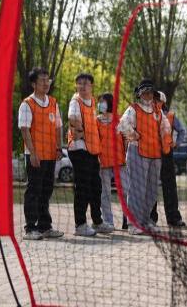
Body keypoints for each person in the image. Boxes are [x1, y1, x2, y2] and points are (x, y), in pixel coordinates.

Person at [117, 79, 170, 235]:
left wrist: (166, 140)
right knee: (137, 190)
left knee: (152, 191)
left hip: (155, 154)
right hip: (137, 152)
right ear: (139, 94)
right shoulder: (133, 109)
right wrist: (133, 134)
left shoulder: (157, 111)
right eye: (145, 92)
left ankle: (145, 221)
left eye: (150, 92)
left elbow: (166, 127)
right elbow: (122, 124)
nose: (148, 95)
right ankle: (133, 224)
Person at [17, 67, 65, 240]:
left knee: (46, 191)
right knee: (34, 191)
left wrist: (59, 148)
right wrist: (32, 153)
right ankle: (30, 228)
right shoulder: (27, 104)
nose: (46, 83)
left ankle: (45, 227)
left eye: (47, 80)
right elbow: (25, 130)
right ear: (33, 84)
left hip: (50, 155)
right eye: (42, 80)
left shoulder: (53, 102)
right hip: (35, 155)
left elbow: (58, 127)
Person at [68, 73, 113, 236]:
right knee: (83, 188)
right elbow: (72, 118)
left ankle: (97, 222)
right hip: (79, 149)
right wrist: (81, 131)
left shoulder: (92, 101)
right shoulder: (75, 101)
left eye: (85, 83)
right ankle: (80, 225)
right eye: (79, 83)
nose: (82, 86)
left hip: (92, 150)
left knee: (96, 187)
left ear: (91, 86)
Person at [150, 91, 187, 228]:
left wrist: (177, 143)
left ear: (163, 102)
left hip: (166, 155)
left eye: (157, 100)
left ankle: (174, 218)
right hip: (151, 155)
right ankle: (151, 218)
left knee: (170, 188)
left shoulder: (170, 115)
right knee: (151, 187)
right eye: (153, 100)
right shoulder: (147, 115)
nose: (154, 102)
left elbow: (181, 131)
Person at [96, 92, 129, 230]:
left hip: (120, 161)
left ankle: (127, 220)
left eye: (102, 101)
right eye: (99, 102)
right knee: (105, 194)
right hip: (103, 162)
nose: (100, 104)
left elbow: (126, 138)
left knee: (126, 191)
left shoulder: (120, 119)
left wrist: (126, 155)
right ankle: (108, 222)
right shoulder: (96, 121)